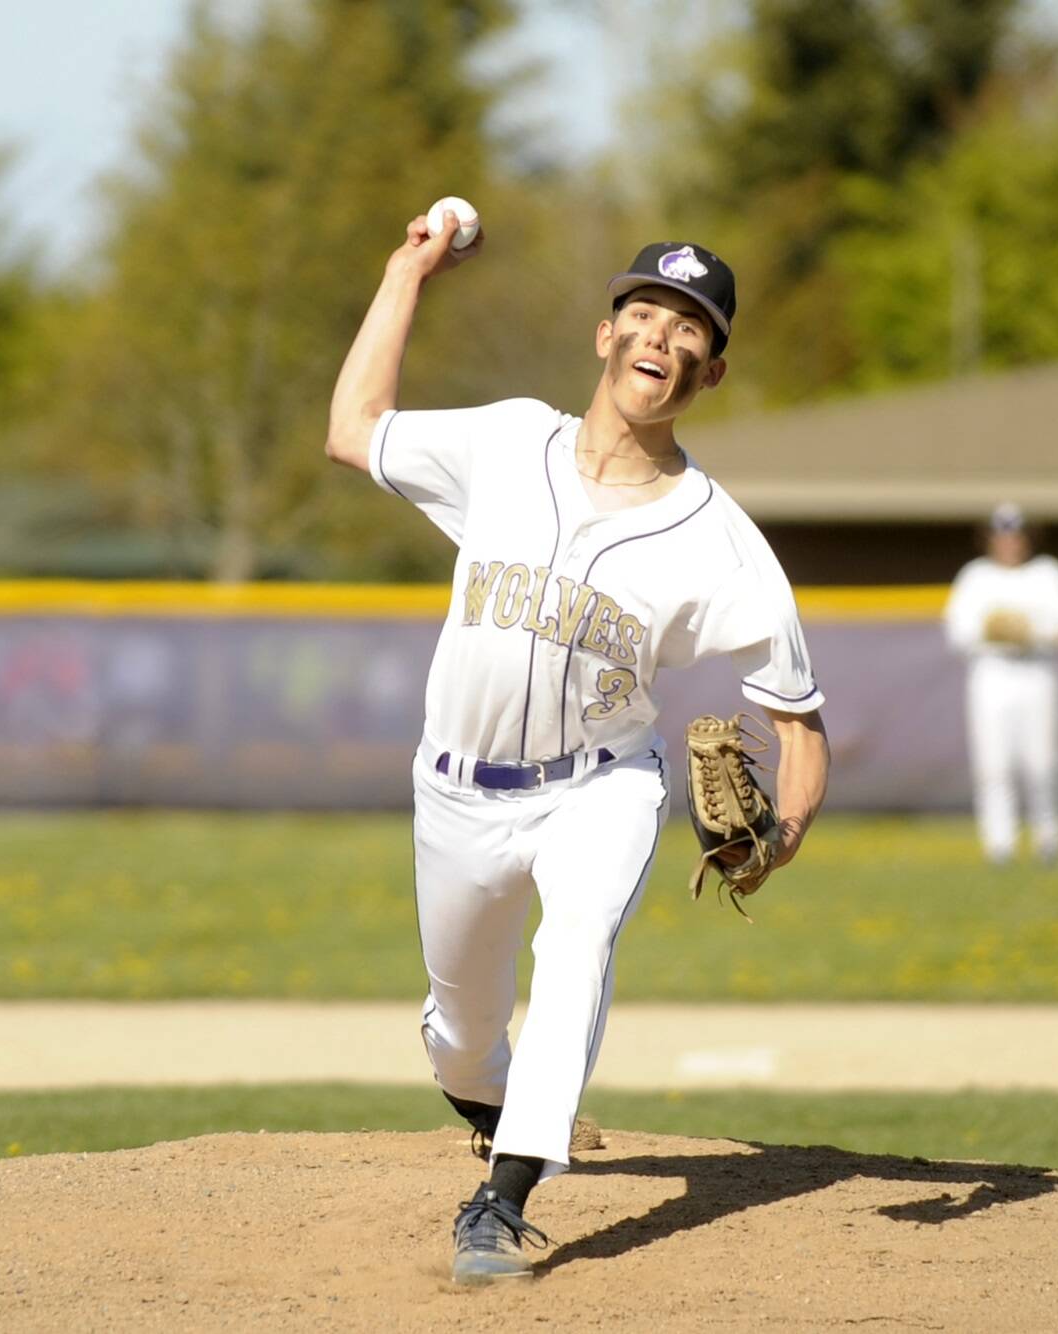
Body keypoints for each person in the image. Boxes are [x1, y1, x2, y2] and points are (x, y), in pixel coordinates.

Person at [324, 211, 831, 1284]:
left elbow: (796, 723)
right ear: (607, 334)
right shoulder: (508, 441)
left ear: (713, 367)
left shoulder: (723, 542)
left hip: (599, 786)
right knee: (459, 1031)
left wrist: (778, 837)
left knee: (576, 947)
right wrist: (403, 269)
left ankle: (501, 1202)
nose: (663, 334)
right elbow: (354, 425)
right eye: (645, 311)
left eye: (689, 326)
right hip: (455, 791)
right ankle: (494, 1099)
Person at [943, 503, 1058, 866]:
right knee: (993, 764)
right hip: (992, 674)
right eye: (1002, 535)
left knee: (1042, 763)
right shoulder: (975, 576)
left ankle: (1049, 842)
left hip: (1036, 671)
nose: (1009, 543)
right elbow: (958, 633)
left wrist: (1033, 632)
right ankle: (999, 846)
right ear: (990, 539)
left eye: (1016, 535)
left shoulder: (1049, 573)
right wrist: (994, 631)